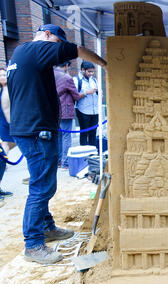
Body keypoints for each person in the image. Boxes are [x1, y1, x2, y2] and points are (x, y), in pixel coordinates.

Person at [7, 24, 107, 265]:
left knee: (41, 184)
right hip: (36, 130)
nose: (58, 52)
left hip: (29, 127)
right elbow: (80, 49)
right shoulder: (37, 49)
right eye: (58, 44)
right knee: (42, 188)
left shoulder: (20, 54)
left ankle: (46, 227)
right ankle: (33, 244)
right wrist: (106, 65)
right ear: (49, 36)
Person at [54, 61, 80, 169]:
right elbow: (76, 95)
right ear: (66, 66)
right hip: (65, 110)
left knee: (59, 136)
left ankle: (59, 161)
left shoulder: (49, 74)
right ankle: (66, 162)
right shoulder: (66, 78)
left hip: (52, 110)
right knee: (66, 137)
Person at [74, 61, 99, 147]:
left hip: (95, 110)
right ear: (82, 70)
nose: (91, 73)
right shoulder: (76, 80)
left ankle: (93, 154)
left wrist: (100, 92)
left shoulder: (94, 79)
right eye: (89, 71)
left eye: (92, 71)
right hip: (83, 110)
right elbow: (74, 96)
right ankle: (84, 155)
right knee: (84, 132)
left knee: (93, 133)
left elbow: (99, 92)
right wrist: (86, 92)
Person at [0, 67, 14, 202]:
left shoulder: (7, 89)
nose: (3, 77)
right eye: (0, 75)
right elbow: (6, 111)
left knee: (5, 148)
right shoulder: (3, 91)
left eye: (5, 75)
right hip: (6, 124)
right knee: (3, 153)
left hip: (7, 124)